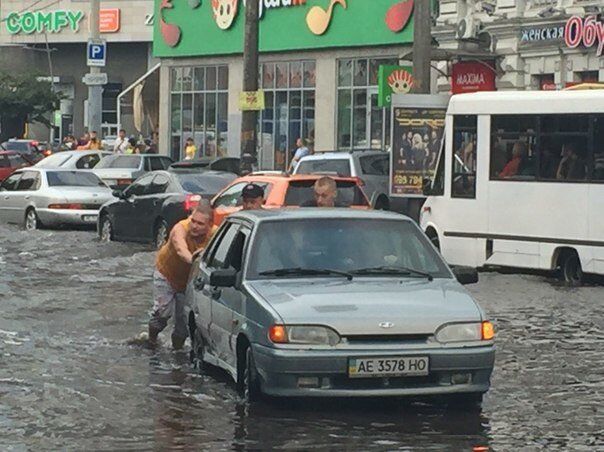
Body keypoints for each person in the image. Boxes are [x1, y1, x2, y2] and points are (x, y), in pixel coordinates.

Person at [149, 201, 216, 348]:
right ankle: (151, 341)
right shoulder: (180, 228)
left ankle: (177, 351)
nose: (194, 226)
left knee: (183, 322)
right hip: (166, 274)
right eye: (193, 221)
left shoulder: (215, 236)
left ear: (210, 225)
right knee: (162, 312)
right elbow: (181, 250)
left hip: (188, 282)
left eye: (200, 224)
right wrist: (194, 259)